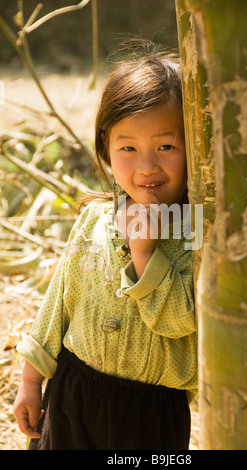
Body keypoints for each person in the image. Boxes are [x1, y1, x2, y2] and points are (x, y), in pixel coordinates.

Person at [13, 40, 198, 450]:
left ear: (197, 150)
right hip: (71, 392)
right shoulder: (96, 220)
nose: (147, 165)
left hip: (152, 412)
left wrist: (146, 255)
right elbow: (59, 300)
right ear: (106, 148)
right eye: (128, 148)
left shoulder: (196, 236)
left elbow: (184, 322)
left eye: (166, 146)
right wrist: (30, 379)